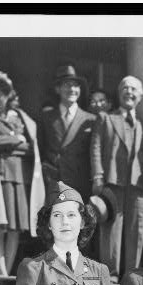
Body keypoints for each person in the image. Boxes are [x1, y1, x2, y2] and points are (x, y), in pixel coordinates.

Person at [0, 71, 45, 276]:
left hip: (20, 176)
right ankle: (3, 272)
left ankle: (7, 272)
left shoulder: (22, 117)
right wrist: (15, 140)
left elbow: (32, 148)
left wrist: (14, 144)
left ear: (8, 95)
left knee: (14, 228)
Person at [91, 75, 143, 276]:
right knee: (111, 226)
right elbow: (96, 148)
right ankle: (110, 275)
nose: (129, 92)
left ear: (141, 96)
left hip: (137, 184)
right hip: (112, 181)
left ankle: (131, 275)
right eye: (125, 88)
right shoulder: (107, 119)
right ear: (119, 94)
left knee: (136, 229)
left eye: (134, 89)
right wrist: (97, 177)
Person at [39, 65, 95, 200]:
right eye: (67, 85)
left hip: (80, 184)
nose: (72, 90)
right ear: (57, 89)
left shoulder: (91, 119)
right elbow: (40, 149)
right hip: (53, 182)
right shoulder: (46, 117)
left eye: (76, 86)